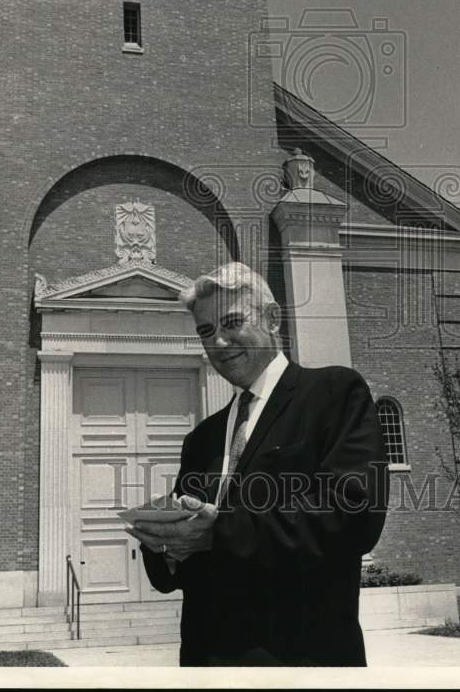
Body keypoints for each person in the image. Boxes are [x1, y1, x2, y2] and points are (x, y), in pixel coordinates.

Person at [126, 262, 388, 667]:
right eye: (205, 331)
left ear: (272, 319)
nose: (219, 341)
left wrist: (219, 532)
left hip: (302, 659)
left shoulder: (334, 394)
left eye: (232, 323)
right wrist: (166, 545)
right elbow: (185, 565)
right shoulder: (202, 440)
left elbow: (353, 516)